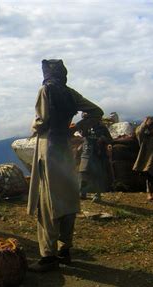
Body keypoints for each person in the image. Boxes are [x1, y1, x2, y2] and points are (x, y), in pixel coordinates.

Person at [27, 59, 104, 272]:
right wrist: (76, 127)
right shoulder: (71, 93)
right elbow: (97, 111)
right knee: (67, 199)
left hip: (48, 148)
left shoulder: (46, 90)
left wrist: (34, 127)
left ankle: (48, 256)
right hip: (65, 149)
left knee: (47, 203)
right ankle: (64, 249)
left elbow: (42, 121)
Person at [78, 114, 113, 202]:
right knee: (84, 172)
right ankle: (83, 192)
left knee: (97, 173)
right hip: (87, 151)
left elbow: (109, 139)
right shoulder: (85, 126)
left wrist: (104, 140)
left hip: (98, 153)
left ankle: (97, 195)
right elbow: (83, 134)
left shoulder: (102, 128)